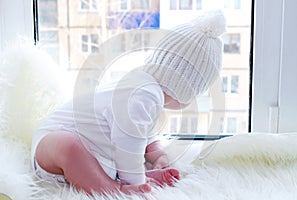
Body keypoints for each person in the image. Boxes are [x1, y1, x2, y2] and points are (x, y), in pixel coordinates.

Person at [31, 11, 226, 195]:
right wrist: (136, 182)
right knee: (68, 146)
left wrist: (156, 152)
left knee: (98, 159)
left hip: (91, 157)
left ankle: (113, 178)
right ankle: (115, 189)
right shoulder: (143, 94)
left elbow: (142, 133)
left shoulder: (145, 89)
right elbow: (127, 146)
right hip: (50, 151)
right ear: (187, 89)